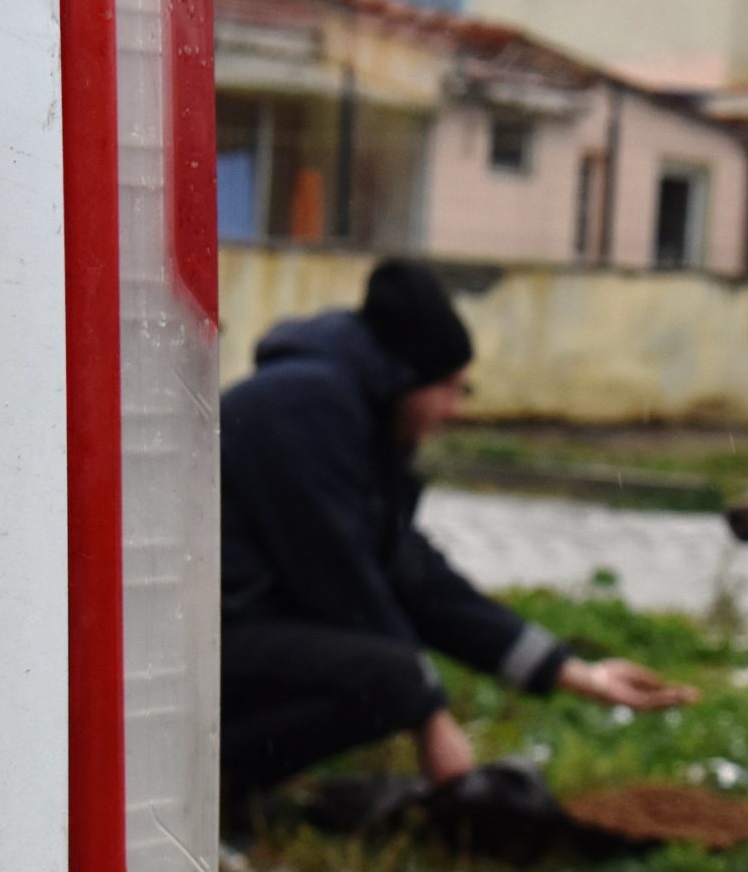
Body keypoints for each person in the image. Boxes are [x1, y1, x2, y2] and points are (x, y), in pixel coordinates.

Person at [220, 258, 694, 806]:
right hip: (196, 641)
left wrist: (573, 672)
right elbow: (339, 578)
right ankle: (212, 784)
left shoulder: (349, 407)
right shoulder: (305, 405)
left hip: (235, 631)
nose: (455, 410)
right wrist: (428, 711)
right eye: (449, 388)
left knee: (395, 674)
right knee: (392, 679)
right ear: (406, 377)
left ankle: (231, 783)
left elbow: (413, 576)